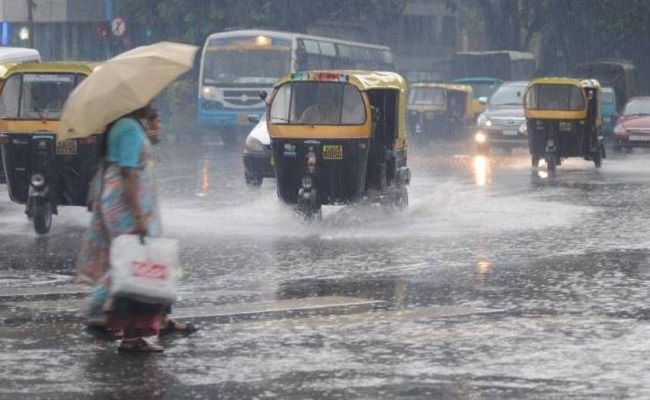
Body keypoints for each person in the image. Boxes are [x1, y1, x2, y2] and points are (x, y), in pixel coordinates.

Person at [77, 103, 195, 353]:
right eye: (149, 101)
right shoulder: (129, 128)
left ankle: (146, 324)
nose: (153, 105)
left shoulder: (122, 126)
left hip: (118, 203)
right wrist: (139, 216)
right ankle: (100, 314)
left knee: (131, 265)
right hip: (126, 206)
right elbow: (129, 173)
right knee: (132, 267)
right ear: (135, 103)